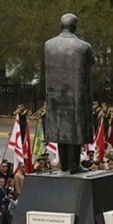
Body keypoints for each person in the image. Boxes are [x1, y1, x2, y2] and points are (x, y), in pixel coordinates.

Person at [44, 13, 96, 174]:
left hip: (55, 96)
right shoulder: (83, 46)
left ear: (61, 25)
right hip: (75, 96)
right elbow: (92, 61)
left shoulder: (48, 45)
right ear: (75, 27)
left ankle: (65, 165)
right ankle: (73, 166)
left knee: (61, 130)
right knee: (74, 131)